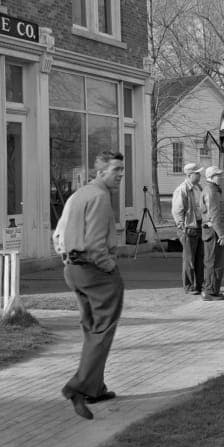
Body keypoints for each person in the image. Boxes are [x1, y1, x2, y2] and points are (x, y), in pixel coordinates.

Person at [52, 151, 126, 420]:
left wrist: (66, 256)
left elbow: (58, 234)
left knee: (92, 330)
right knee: (102, 330)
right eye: (116, 169)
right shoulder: (99, 196)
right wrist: (109, 267)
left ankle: (94, 387)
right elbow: (96, 245)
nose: (120, 174)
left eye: (122, 169)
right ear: (101, 172)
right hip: (94, 270)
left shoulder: (79, 194)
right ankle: (79, 387)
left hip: (73, 270)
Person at [171, 162, 204, 295]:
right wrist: (181, 226)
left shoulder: (198, 187)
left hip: (199, 226)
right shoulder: (182, 189)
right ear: (190, 175)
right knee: (189, 259)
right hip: (188, 228)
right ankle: (189, 286)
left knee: (199, 259)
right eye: (197, 173)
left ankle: (199, 285)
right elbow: (177, 210)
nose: (200, 175)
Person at [200, 165, 224, 301]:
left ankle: (213, 290)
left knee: (215, 262)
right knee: (213, 262)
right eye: (218, 175)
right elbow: (214, 215)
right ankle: (209, 292)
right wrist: (221, 234)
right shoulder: (211, 191)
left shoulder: (213, 190)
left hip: (213, 231)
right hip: (213, 232)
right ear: (211, 177)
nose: (221, 177)